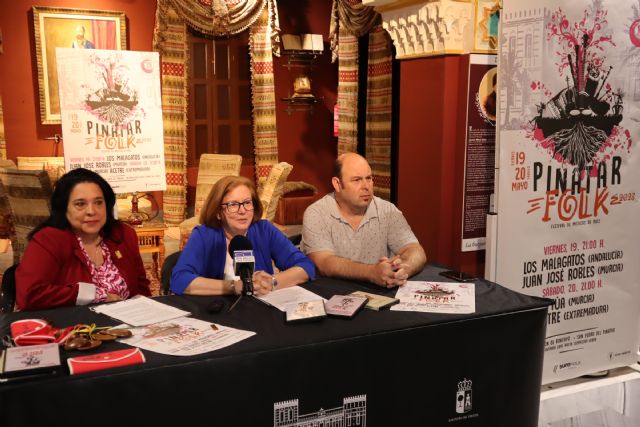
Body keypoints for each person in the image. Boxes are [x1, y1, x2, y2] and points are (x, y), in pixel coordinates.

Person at [15, 168, 150, 310]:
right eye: (80, 204)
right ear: (63, 208)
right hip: (73, 327)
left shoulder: (123, 234)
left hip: (127, 326)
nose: (91, 211)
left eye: (98, 202)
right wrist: (96, 295)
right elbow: (29, 294)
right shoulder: (48, 239)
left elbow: (141, 288)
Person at [170, 176, 315, 296]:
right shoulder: (204, 235)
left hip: (259, 312)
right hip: (218, 313)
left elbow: (305, 266)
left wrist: (272, 282)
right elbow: (180, 280)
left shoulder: (264, 230)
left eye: (247, 203)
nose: (242, 211)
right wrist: (234, 286)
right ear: (218, 212)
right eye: (233, 205)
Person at [302, 153, 426, 287]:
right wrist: (371, 272)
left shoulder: (387, 210)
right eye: (357, 180)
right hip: (332, 294)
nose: (366, 186)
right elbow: (324, 263)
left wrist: (402, 269)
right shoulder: (317, 213)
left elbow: (415, 250)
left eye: (369, 178)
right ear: (337, 184)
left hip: (378, 293)